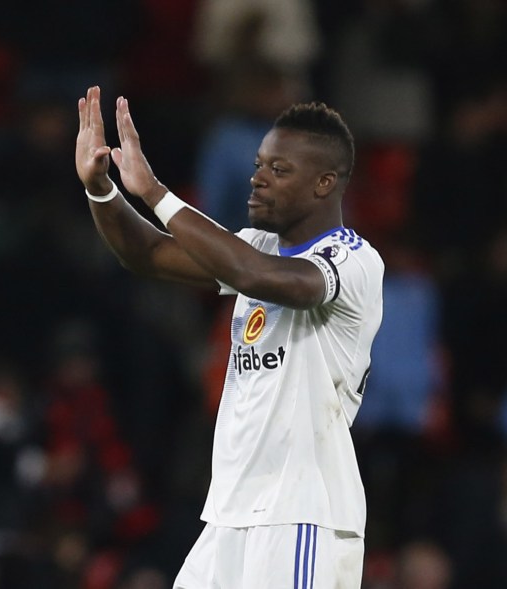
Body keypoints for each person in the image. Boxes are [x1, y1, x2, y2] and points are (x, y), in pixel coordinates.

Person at [75, 86, 383, 588]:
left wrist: (155, 192)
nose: (257, 178)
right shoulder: (256, 246)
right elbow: (147, 253)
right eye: (260, 164)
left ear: (324, 184)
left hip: (301, 515)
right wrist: (101, 189)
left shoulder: (352, 260)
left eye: (278, 170)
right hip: (228, 514)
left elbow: (261, 278)